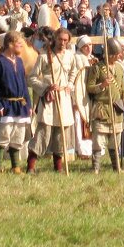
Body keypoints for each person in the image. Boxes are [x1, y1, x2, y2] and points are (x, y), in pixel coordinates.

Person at [27, 27, 77, 173]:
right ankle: (30, 167)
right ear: (55, 39)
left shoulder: (70, 56)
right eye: (60, 39)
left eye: (65, 40)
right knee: (43, 131)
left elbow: (73, 72)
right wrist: (46, 87)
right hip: (50, 99)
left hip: (64, 98)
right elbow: (32, 78)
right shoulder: (44, 55)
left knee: (61, 134)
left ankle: (59, 167)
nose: (62, 43)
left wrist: (70, 84)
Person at [0, 32, 32, 173]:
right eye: (19, 44)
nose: (21, 47)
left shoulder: (18, 61)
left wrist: (28, 104)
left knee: (18, 136)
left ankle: (15, 166)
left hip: (20, 105)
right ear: (10, 44)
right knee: (3, 136)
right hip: (6, 104)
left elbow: (24, 84)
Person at [86, 38, 124, 173]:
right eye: (115, 54)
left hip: (116, 109)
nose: (117, 57)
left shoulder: (119, 68)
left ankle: (116, 168)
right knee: (98, 142)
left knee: (115, 142)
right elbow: (90, 87)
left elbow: (122, 90)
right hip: (101, 108)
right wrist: (102, 85)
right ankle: (96, 169)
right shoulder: (97, 68)